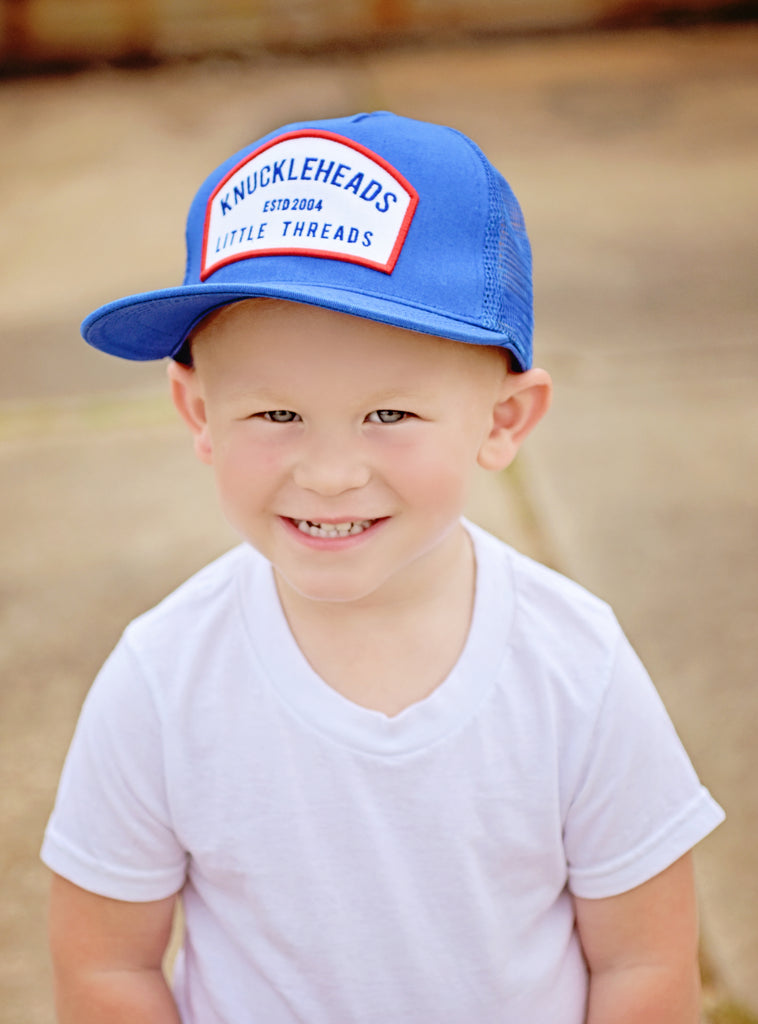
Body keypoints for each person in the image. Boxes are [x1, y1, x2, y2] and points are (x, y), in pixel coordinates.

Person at [42, 111, 724, 1024]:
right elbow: (105, 969)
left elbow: (644, 961)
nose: (328, 473)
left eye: (390, 416)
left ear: (504, 421)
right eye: (275, 417)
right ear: (196, 409)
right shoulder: (163, 679)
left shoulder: (576, 665)